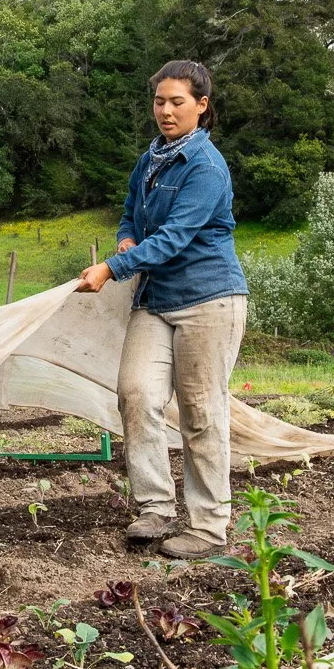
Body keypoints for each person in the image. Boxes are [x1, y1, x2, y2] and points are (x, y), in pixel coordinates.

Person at [76, 59, 248, 559]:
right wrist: (126, 236)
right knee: (135, 394)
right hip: (156, 298)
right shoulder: (150, 159)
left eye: (178, 102)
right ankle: (155, 507)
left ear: (201, 105)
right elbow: (132, 212)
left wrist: (113, 266)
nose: (166, 111)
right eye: (159, 101)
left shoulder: (206, 166)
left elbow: (173, 238)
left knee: (200, 413)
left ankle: (208, 527)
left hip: (209, 301)